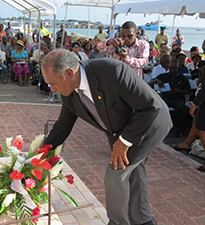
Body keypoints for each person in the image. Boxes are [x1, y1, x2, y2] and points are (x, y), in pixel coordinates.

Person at [41, 49, 172, 225]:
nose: (52, 89)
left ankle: (117, 222)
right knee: (133, 173)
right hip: (122, 133)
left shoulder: (113, 71)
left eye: (53, 83)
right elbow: (62, 127)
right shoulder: (70, 93)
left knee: (115, 174)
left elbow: (151, 107)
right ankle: (144, 221)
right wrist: (39, 155)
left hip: (148, 124)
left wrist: (124, 142)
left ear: (69, 73)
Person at [152, 59, 190, 137]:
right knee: (155, 104)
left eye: (174, 68)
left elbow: (188, 91)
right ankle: (154, 127)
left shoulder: (183, 78)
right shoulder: (164, 76)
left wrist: (179, 91)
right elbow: (150, 82)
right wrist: (157, 81)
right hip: (166, 98)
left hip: (178, 98)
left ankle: (180, 129)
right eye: (171, 68)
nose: (172, 70)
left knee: (182, 107)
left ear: (178, 67)